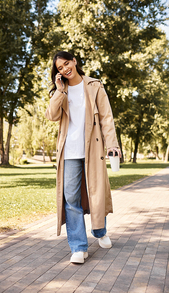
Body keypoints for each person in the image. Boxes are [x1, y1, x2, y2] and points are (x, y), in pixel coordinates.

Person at [45, 51, 121, 264]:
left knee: (96, 193)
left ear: (75, 61)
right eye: (60, 68)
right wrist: (59, 91)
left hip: (92, 149)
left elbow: (106, 117)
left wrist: (112, 144)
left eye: (66, 63)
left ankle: (100, 232)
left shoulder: (94, 85)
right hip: (69, 152)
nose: (65, 69)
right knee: (71, 199)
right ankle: (78, 247)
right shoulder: (62, 91)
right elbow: (51, 116)